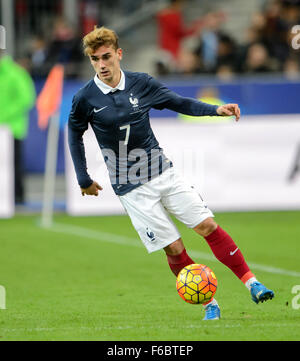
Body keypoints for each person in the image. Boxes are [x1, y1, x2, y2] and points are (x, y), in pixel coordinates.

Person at [68, 26, 274, 320]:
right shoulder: (85, 98)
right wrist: (83, 178)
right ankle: (209, 303)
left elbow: (180, 102)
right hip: (131, 188)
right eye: (94, 59)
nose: (101, 65)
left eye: (106, 57)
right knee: (174, 248)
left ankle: (253, 283)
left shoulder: (142, 83)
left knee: (207, 226)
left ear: (118, 54)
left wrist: (215, 110)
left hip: (163, 173)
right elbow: (73, 134)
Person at [0, 51, 36, 204]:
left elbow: (26, 99)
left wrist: (4, 116)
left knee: (14, 164)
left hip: (12, 129)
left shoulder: (16, 73)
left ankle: (18, 198)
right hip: (6, 126)